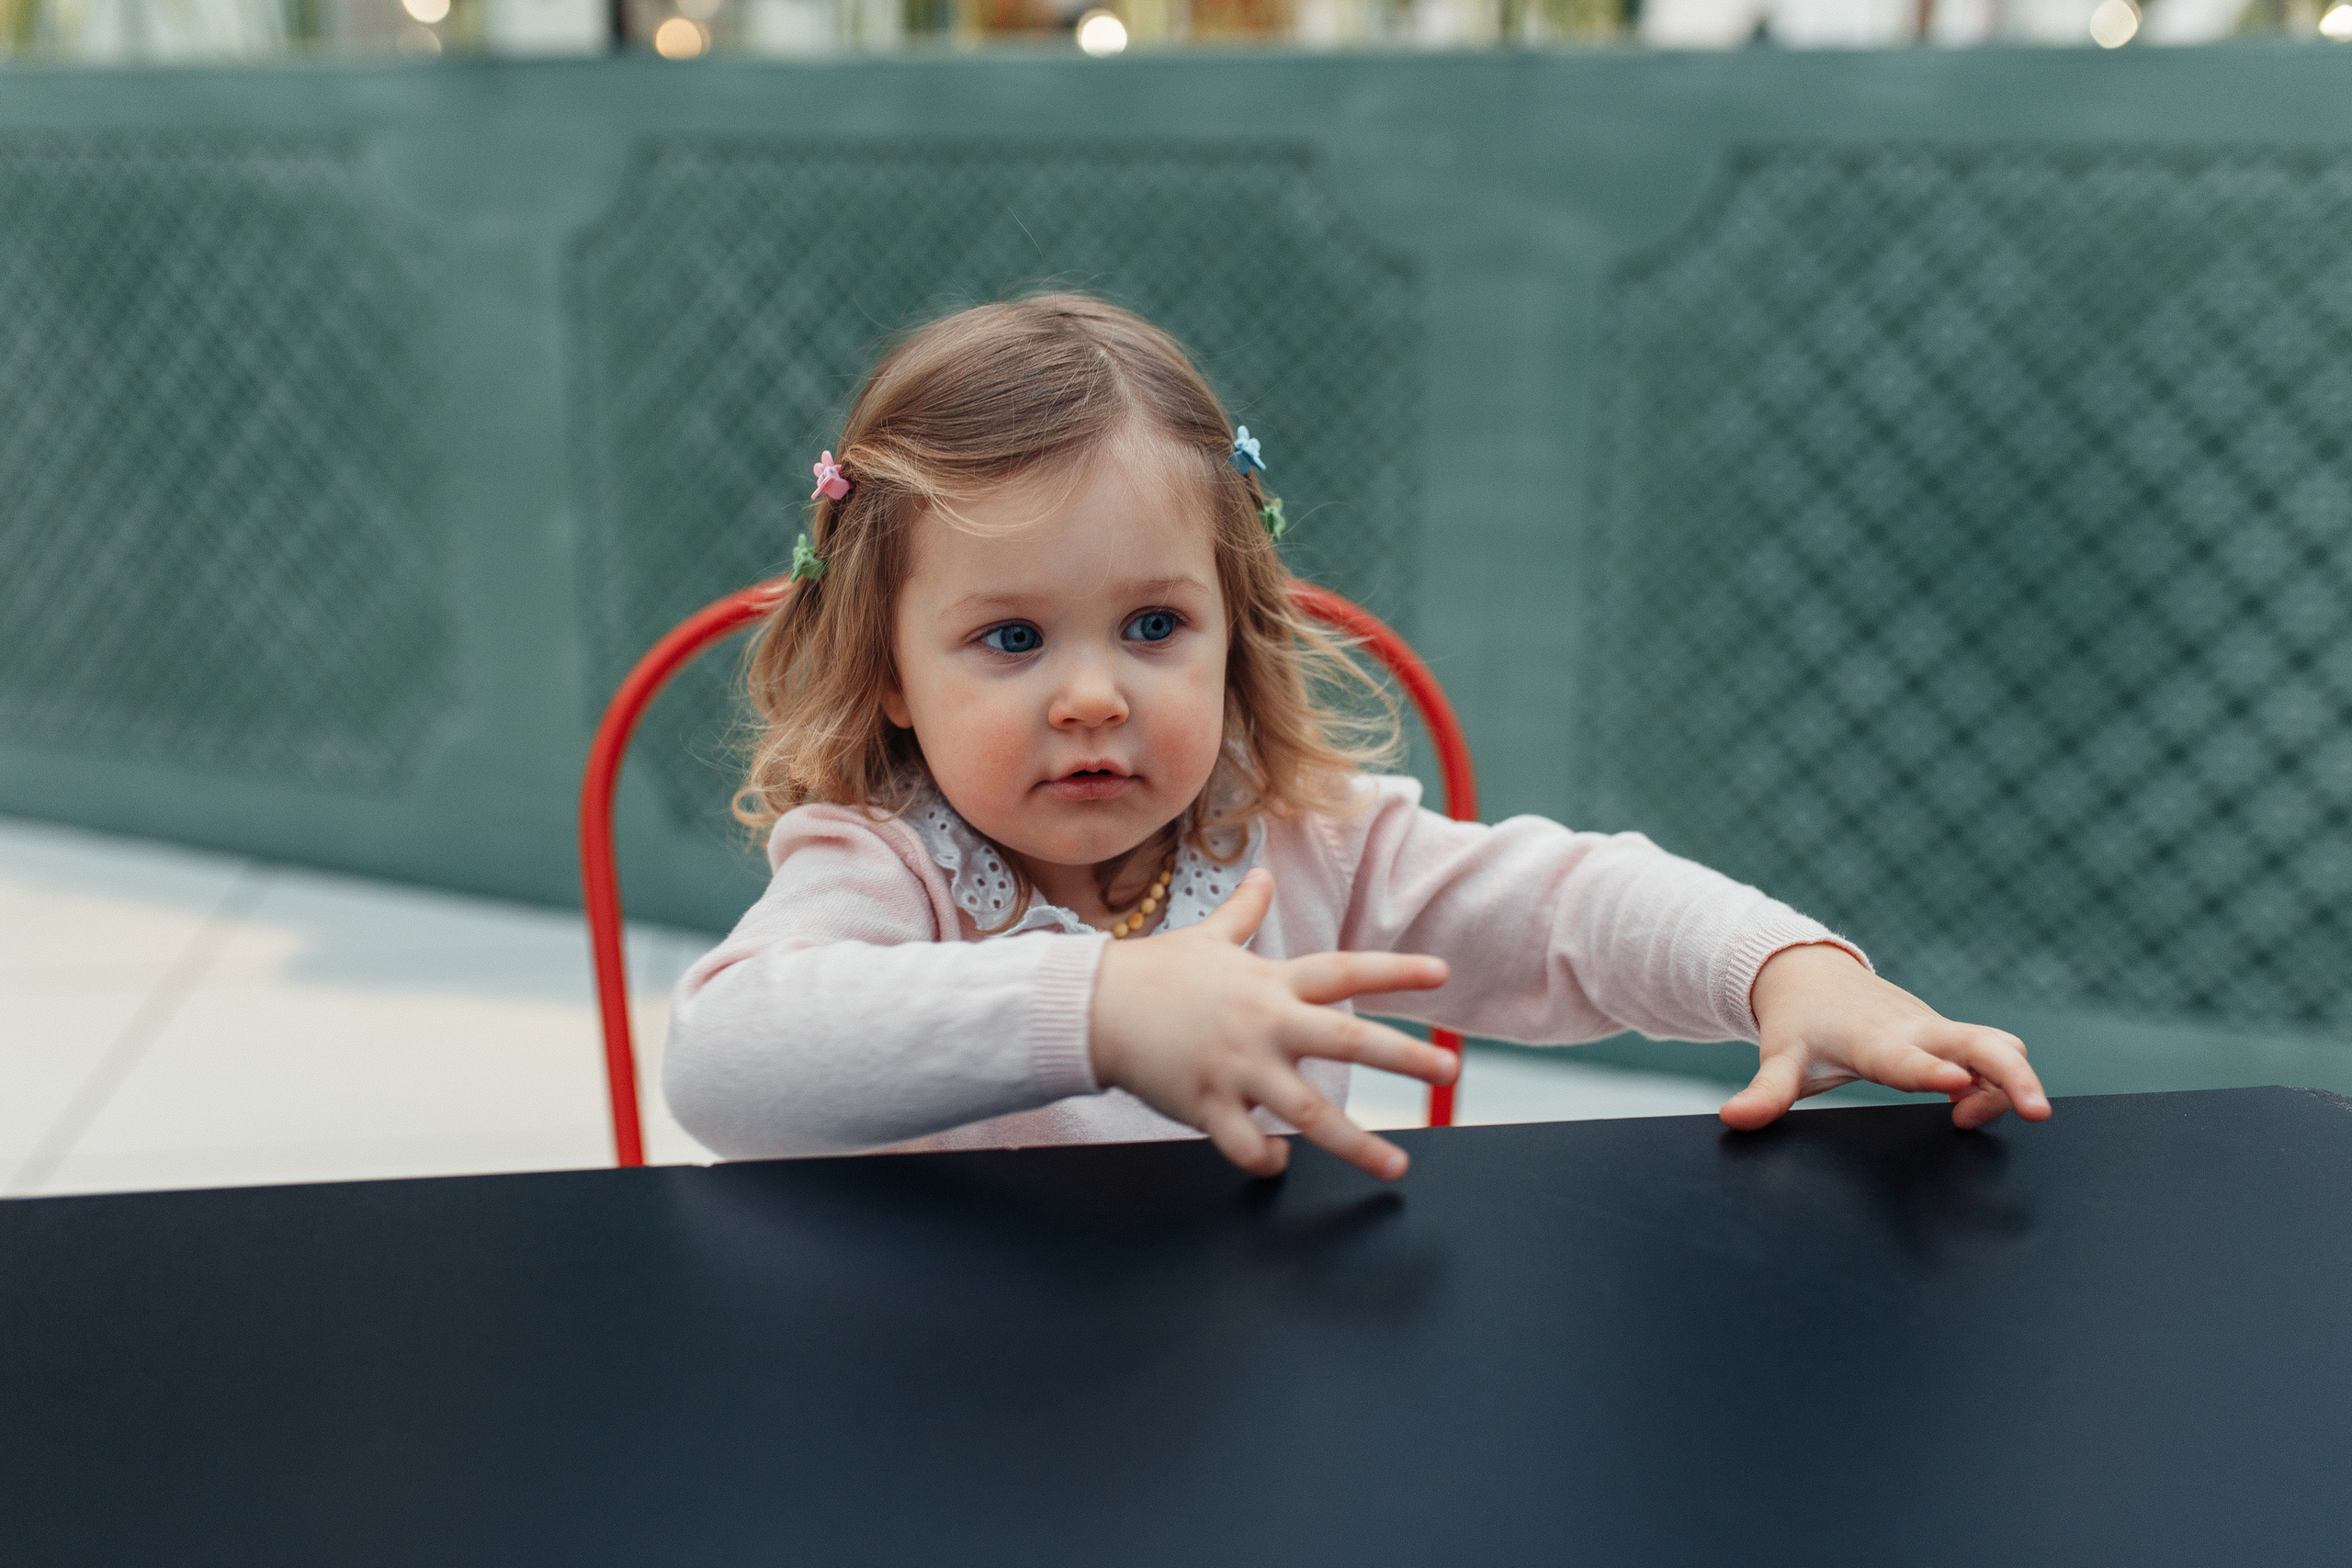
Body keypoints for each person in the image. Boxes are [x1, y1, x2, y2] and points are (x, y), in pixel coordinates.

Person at [664, 294, 2049, 1180]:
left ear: (1233, 630)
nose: (1093, 696)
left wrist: (1788, 972)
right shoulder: (885, 866)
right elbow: (726, 1065)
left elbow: (1573, 906)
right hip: (948, 1381)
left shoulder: (1304, 843)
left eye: (1153, 625)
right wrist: (1100, 1009)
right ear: (891, 675)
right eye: (1012, 639)